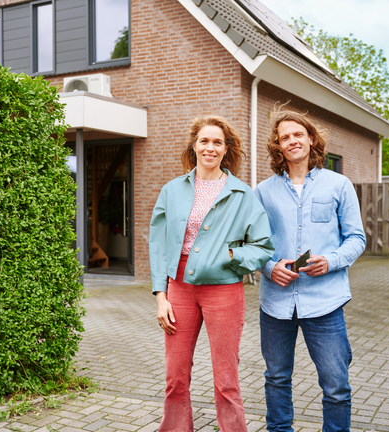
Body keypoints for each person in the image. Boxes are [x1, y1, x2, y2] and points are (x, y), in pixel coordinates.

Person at [149, 115, 274, 432]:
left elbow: (262, 247)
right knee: (175, 376)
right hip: (179, 290)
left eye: (217, 142)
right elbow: (159, 245)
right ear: (194, 145)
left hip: (224, 292)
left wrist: (231, 255)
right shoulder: (172, 191)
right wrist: (160, 295)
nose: (210, 147)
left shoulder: (243, 194)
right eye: (204, 140)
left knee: (226, 379)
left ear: (226, 148)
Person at [254, 109, 366, 432]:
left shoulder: (339, 185)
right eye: (284, 137)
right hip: (276, 305)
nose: (292, 141)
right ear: (278, 146)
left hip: (325, 304)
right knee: (276, 379)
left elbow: (357, 239)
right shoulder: (263, 192)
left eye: (297, 134)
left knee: (336, 386)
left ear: (311, 138)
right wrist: (269, 267)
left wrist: (330, 261)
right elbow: (250, 242)